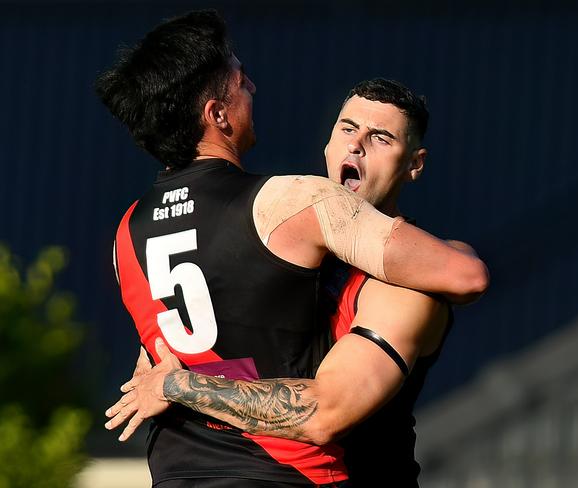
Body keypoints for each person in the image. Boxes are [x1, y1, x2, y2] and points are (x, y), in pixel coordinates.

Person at [98, 9, 488, 488]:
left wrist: (177, 383)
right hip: (282, 476)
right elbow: (466, 274)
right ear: (217, 114)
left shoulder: (127, 233)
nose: (357, 145)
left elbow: (175, 348)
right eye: (347, 129)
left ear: (414, 164)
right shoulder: (294, 205)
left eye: (380, 137)